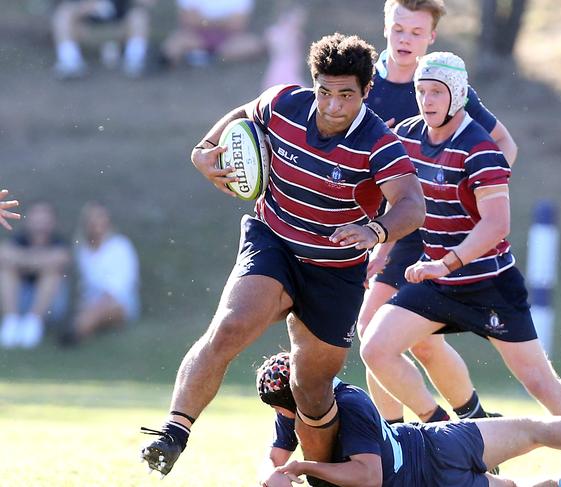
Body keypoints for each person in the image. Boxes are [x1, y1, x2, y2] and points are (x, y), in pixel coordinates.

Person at [139, 33, 425, 477]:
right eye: (325, 92)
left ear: (367, 92)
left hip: (335, 271)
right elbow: (241, 116)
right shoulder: (283, 104)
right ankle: (173, 434)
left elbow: (412, 204)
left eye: (346, 95)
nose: (332, 106)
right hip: (273, 240)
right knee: (231, 326)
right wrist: (203, 150)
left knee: (310, 387)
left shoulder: (379, 143)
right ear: (314, 85)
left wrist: (376, 229)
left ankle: (321, 476)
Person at [360, 50, 561, 470]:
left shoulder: (480, 149)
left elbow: (496, 225)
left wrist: (445, 263)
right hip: (438, 282)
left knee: (538, 380)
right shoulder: (407, 137)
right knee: (375, 348)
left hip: (489, 284)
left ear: (457, 95)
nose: (426, 100)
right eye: (421, 91)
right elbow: (392, 194)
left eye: (436, 92)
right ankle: (446, 434)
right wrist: (381, 247)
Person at [358, 0, 519, 425]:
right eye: (398, 29)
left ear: (431, 37)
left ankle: (403, 439)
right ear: (385, 26)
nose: (405, 39)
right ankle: (472, 423)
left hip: (423, 234)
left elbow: (505, 147)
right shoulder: (361, 84)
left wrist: (466, 207)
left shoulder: (443, 85)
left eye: (416, 32)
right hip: (380, 229)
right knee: (414, 342)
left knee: (375, 333)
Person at [256, 352, 561, 487]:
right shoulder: (308, 395)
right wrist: (270, 473)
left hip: (427, 461)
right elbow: (275, 457)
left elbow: (368, 477)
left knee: (527, 450)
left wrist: (304, 466)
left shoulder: (346, 406)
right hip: (437, 444)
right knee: (534, 432)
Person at [60, 202, 139, 346]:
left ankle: (76, 334)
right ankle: (80, 329)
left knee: (98, 310)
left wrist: (100, 302)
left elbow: (122, 285)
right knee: (91, 310)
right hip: (90, 302)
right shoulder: (82, 250)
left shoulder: (120, 246)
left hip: (118, 301)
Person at [0, 201, 69, 348]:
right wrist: (40, 262)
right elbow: (4, 255)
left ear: (52, 221)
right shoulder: (18, 239)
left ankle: (33, 324)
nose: (40, 221)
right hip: (19, 298)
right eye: (36, 216)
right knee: (6, 270)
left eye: (45, 216)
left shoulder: (59, 242)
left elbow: (60, 259)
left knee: (51, 273)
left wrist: (22, 262)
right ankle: (11, 322)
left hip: (51, 305)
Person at [51, 0, 156, 79]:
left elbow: (144, 4)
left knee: (139, 16)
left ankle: (135, 61)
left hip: (118, 31)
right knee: (63, 14)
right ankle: (70, 62)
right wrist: (84, 8)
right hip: (87, 32)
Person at [161, 0, 265, 68]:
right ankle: (211, 56)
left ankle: (207, 56)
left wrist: (204, 21)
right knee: (172, 46)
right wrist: (223, 22)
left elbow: (238, 24)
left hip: (229, 40)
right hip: (196, 38)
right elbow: (188, 20)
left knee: (253, 45)